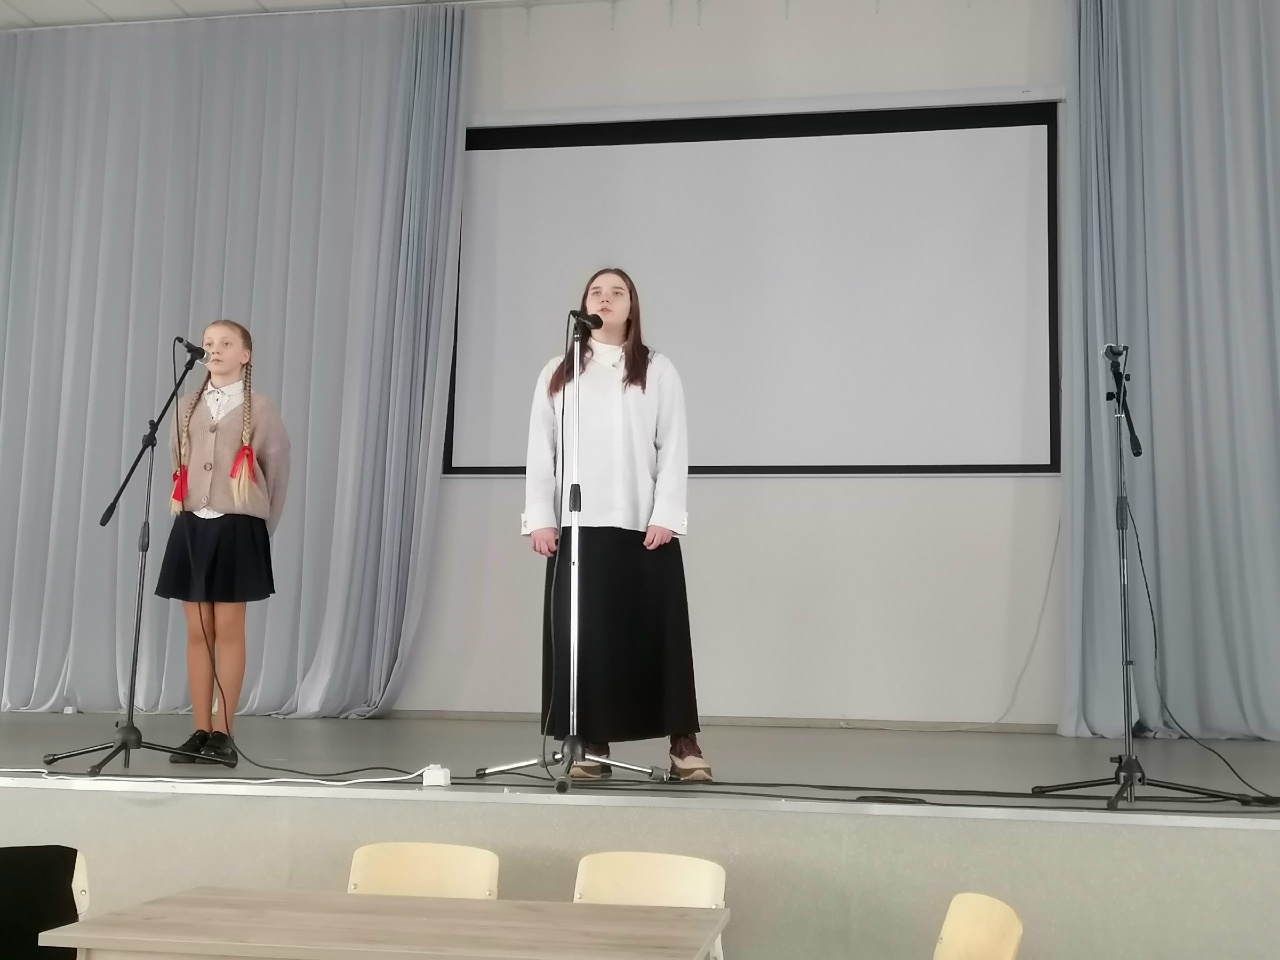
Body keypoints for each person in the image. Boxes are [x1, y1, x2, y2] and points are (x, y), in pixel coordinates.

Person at [522, 267, 711, 781]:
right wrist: (540, 518)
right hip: (578, 526)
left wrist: (666, 514)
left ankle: (683, 743)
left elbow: (673, 445)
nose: (605, 299)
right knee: (586, 640)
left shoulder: (657, 370)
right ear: (585, 305)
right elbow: (542, 449)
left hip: (643, 525)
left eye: (617, 292)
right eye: (596, 292)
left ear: (632, 306)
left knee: (661, 636)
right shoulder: (558, 372)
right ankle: (590, 742)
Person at [155, 320, 290, 768]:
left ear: (244, 355)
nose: (214, 349)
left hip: (238, 528)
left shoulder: (260, 408)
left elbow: (277, 472)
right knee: (198, 631)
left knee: (229, 629)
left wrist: (259, 527)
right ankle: (199, 729)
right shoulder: (185, 406)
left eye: (226, 343)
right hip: (192, 525)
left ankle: (224, 732)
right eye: (209, 343)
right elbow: (176, 460)